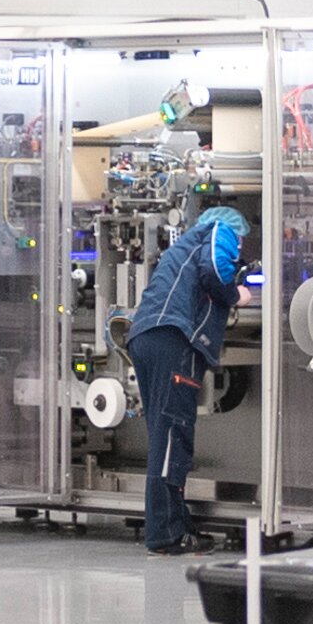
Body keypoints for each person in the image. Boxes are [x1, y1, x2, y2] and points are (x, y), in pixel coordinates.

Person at [125, 208, 250, 553]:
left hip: (148, 335)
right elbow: (215, 268)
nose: (239, 246)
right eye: (241, 242)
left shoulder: (183, 247)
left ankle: (176, 524)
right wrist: (236, 295)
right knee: (172, 437)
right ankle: (166, 534)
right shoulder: (219, 230)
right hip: (174, 338)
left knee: (163, 435)